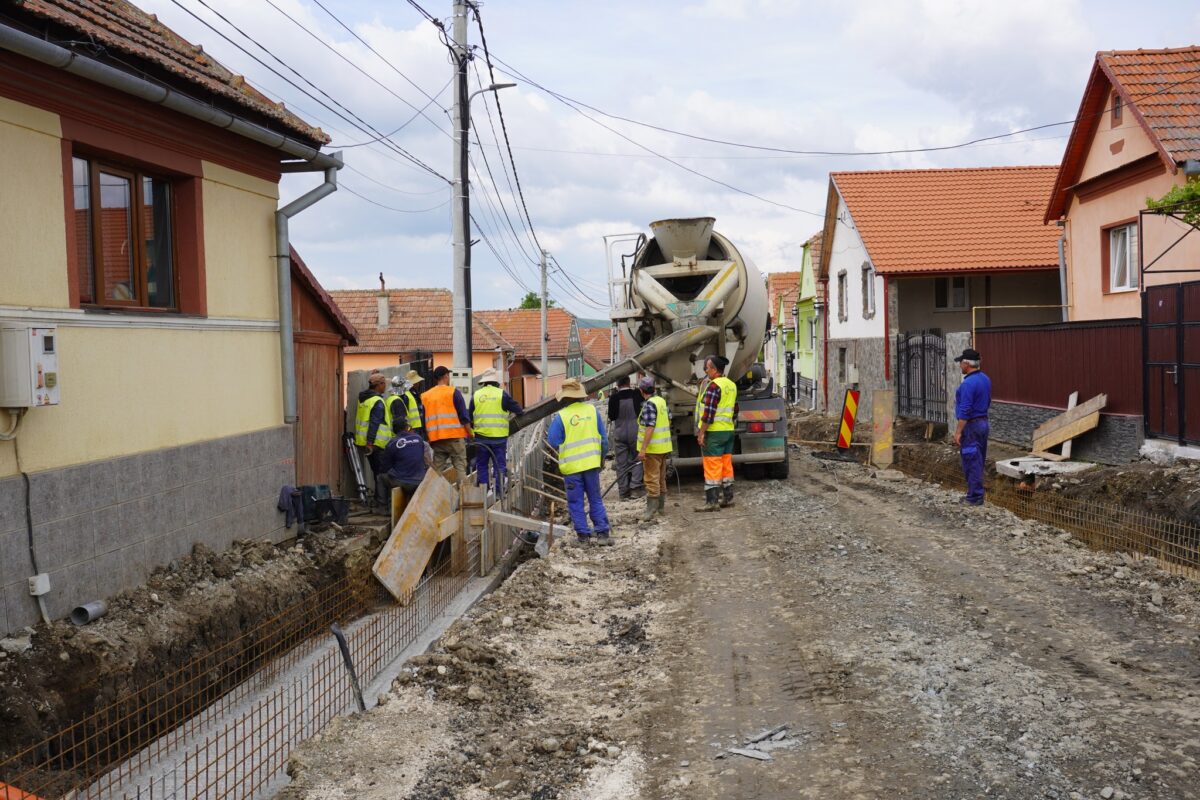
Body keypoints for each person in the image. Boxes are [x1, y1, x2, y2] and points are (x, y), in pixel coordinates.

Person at [548, 378, 611, 546]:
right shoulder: (592, 411)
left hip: (572, 468)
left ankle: (583, 537)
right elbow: (604, 441)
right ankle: (603, 534)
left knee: (576, 502)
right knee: (595, 499)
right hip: (591, 464)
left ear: (565, 398)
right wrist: (601, 459)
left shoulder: (561, 416)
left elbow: (553, 441)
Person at [694, 355, 738, 512]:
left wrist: (701, 433)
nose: (706, 371)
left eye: (707, 368)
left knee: (712, 466)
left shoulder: (714, 386)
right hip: (728, 430)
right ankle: (728, 498)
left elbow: (709, 414)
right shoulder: (731, 385)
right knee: (726, 464)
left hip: (714, 432)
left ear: (714, 369)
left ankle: (712, 502)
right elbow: (735, 410)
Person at [470, 368, 523, 493]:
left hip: (481, 438)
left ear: (484, 382)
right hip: (498, 439)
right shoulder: (502, 394)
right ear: (496, 382)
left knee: (482, 465)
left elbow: (469, 416)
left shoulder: (476, 395)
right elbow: (519, 410)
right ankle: (498, 493)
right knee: (499, 466)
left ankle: (483, 491)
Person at [954, 347, 992, 506]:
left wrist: (958, 431)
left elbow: (965, 410)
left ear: (967, 364)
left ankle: (974, 497)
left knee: (971, 461)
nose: (960, 366)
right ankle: (975, 494)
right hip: (983, 423)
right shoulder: (985, 379)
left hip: (971, 426)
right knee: (979, 459)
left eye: (961, 363)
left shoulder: (968, 384)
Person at [421, 366, 471, 480]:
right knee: (460, 466)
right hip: (455, 438)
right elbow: (464, 417)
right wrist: (470, 433)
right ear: (445, 376)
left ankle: (430, 495)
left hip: (436, 439)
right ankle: (462, 495)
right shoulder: (453, 392)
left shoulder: (425, 396)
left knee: (436, 470)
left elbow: (423, 419)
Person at [354, 372, 393, 509]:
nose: (385, 386)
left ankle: (379, 501)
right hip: (376, 444)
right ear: (379, 385)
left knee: (376, 472)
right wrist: (371, 443)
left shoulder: (363, 399)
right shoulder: (377, 401)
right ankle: (381, 504)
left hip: (365, 442)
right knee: (381, 474)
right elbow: (374, 423)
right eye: (384, 384)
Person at [636, 376, 672, 523]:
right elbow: (668, 420)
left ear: (641, 390)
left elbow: (650, 427)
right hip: (664, 447)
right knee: (661, 478)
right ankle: (661, 508)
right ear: (654, 388)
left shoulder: (649, 404)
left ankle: (651, 510)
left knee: (651, 479)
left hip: (653, 449)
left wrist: (643, 449)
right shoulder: (661, 401)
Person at [607, 375, 646, 500]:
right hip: (635, 432)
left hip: (620, 432)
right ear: (629, 382)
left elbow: (612, 416)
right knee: (637, 459)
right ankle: (635, 488)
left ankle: (623, 492)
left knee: (621, 463)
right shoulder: (636, 394)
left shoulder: (614, 397)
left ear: (618, 384)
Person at [378, 415, 434, 496]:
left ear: (394, 430)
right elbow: (427, 460)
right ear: (406, 427)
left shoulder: (392, 443)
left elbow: (385, 467)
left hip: (403, 481)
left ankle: (382, 506)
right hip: (420, 480)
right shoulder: (418, 438)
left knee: (381, 478)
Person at [394, 370, 425, 438]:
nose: (418, 384)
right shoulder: (406, 395)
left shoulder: (414, 394)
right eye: (417, 382)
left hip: (416, 427)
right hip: (412, 428)